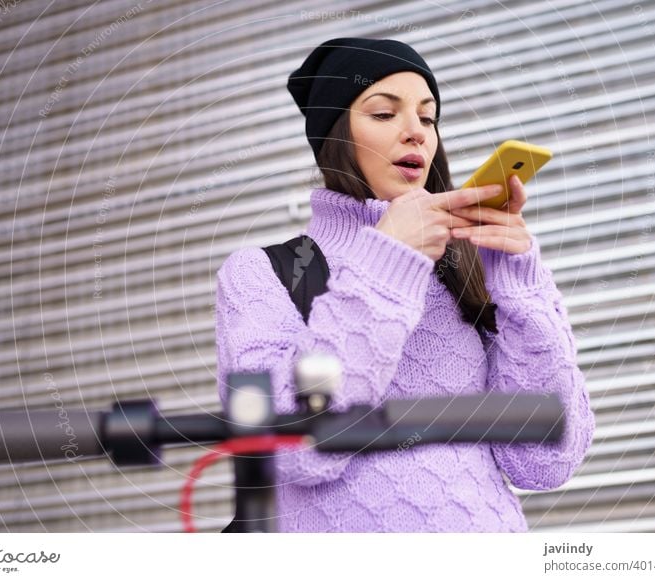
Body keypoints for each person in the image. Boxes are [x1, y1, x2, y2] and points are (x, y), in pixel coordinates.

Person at [214, 37, 595, 532]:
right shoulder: (260, 273)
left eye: (428, 116)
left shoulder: (462, 265)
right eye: (383, 114)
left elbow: (545, 462)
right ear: (336, 136)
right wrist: (386, 261)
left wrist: (521, 286)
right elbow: (290, 451)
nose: (416, 132)